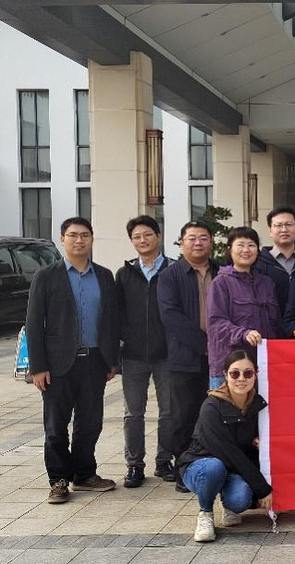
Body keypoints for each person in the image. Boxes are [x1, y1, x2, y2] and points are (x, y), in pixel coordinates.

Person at [26, 217, 120, 504]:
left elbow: (111, 322)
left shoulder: (104, 276)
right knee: (56, 426)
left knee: (90, 423)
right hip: (57, 365)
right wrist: (38, 367)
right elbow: (34, 323)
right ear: (62, 239)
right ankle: (58, 480)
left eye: (85, 235)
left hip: (94, 362)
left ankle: (84, 473)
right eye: (73, 235)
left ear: (91, 239)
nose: (79, 240)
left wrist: (111, 359)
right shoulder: (46, 276)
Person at [177, 350, 273, 542]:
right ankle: (205, 513)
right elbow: (227, 450)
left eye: (248, 373)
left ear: (256, 374)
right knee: (214, 467)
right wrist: (263, 488)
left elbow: (248, 448)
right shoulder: (212, 405)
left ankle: (228, 504)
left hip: (232, 469)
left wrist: (257, 442)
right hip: (201, 464)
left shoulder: (259, 405)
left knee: (240, 500)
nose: (241, 379)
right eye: (234, 373)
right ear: (225, 374)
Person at [158, 220, 219, 492]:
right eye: (192, 238)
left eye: (203, 238)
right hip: (185, 358)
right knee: (183, 417)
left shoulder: (222, 271)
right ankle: (184, 470)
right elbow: (170, 315)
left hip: (221, 359)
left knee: (214, 415)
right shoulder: (170, 275)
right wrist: (204, 345)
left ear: (211, 242)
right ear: (181, 243)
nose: (198, 243)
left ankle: (214, 466)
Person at [116, 215, 175, 488]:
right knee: (133, 413)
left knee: (169, 411)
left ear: (158, 236)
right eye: (137, 237)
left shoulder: (174, 270)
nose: (143, 240)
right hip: (133, 355)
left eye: (148, 235)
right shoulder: (124, 274)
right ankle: (134, 465)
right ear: (132, 241)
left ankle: (164, 461)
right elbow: (116, 313)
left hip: (167, 355)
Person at [207, 227, 282, 389]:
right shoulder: (221, 283)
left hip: (262, 365)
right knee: (227, 406)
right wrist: (243, 334)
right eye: (240, 245)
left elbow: (275, 323)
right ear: (229, 249)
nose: (246, 250)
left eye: (251, 245)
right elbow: (216, 323)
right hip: (230, 366)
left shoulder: (266, 283)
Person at [254, 206, 295, 313]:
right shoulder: (258, 263)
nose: (284, 229)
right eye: (278, 225)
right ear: (270, 230)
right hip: (270, 322)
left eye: (289, 224)